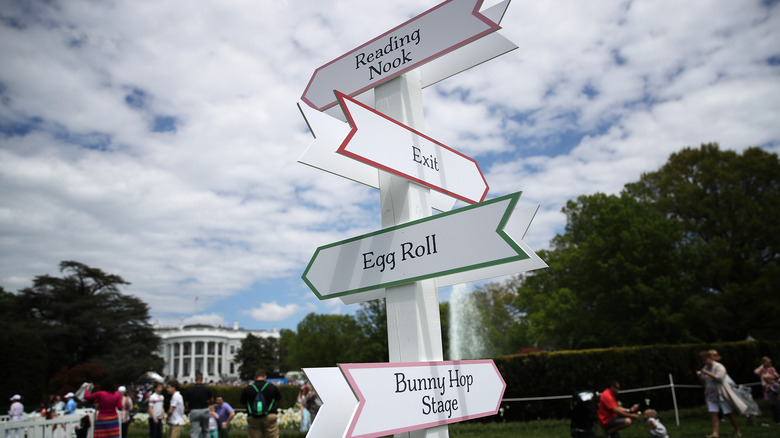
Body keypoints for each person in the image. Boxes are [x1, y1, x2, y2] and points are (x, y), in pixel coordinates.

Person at [696, 350, 743, 438]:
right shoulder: (706, 367)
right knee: (713, 413)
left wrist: (707, 373)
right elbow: (704, 381)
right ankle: (715, 433)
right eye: (702, 360)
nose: (704, 362)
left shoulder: (719, 366)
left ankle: (737, 430)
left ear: (709, 358)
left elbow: (719, 378)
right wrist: (700, 376)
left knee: (728, 413)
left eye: (704, 360)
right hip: (711, 394)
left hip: (721, 394)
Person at [240, 369, 282, 438]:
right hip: (269, 416)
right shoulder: (272, 387)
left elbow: (242, 401)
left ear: (255, 377)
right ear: (265, 377)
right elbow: (278, 398)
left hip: (253, 417)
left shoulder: (248, 389)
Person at [186, 373, 213, 438]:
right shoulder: (206, 389)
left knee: (194, 432)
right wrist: (207, 402)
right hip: (204, 410)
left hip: (194, 410)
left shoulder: (190, 390)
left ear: (195, 379)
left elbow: (187, 403)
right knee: (206, 430)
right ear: (202, 379)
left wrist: (188, 408)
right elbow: (211, 400)